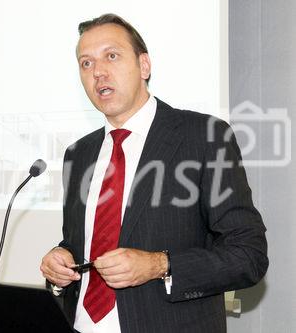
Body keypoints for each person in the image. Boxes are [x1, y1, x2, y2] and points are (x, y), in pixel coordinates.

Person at [40, 13, 268, 333]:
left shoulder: (202, 137)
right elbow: (81, 243)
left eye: (112, 56)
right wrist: (61, 261)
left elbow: (249, 256)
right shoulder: (78, 155)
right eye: (86, 63)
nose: (99, 72)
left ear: (144, 66)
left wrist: (160, 265)